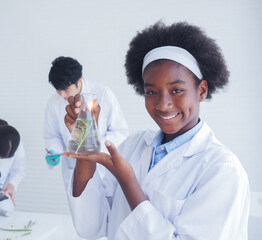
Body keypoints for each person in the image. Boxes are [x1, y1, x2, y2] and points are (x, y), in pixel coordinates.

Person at [63, 21, 250, 240]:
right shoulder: (133, 145)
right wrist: (86, 142)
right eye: (151, 92)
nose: (163, 104)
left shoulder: (222, 169)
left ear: (201, 90)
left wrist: (128, 181)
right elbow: (90, 228)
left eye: (177, 90)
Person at [43, 56, 128, 189]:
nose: (63, 96)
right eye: (58, 91)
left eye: (66, 90)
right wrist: (55, 151)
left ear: (79, 80)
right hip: (72, 168)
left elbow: (120, 131)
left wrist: (92, 150)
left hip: (103, 169)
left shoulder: (103, 94)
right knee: (79, 206)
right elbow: (52, 135)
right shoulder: (53, 103)